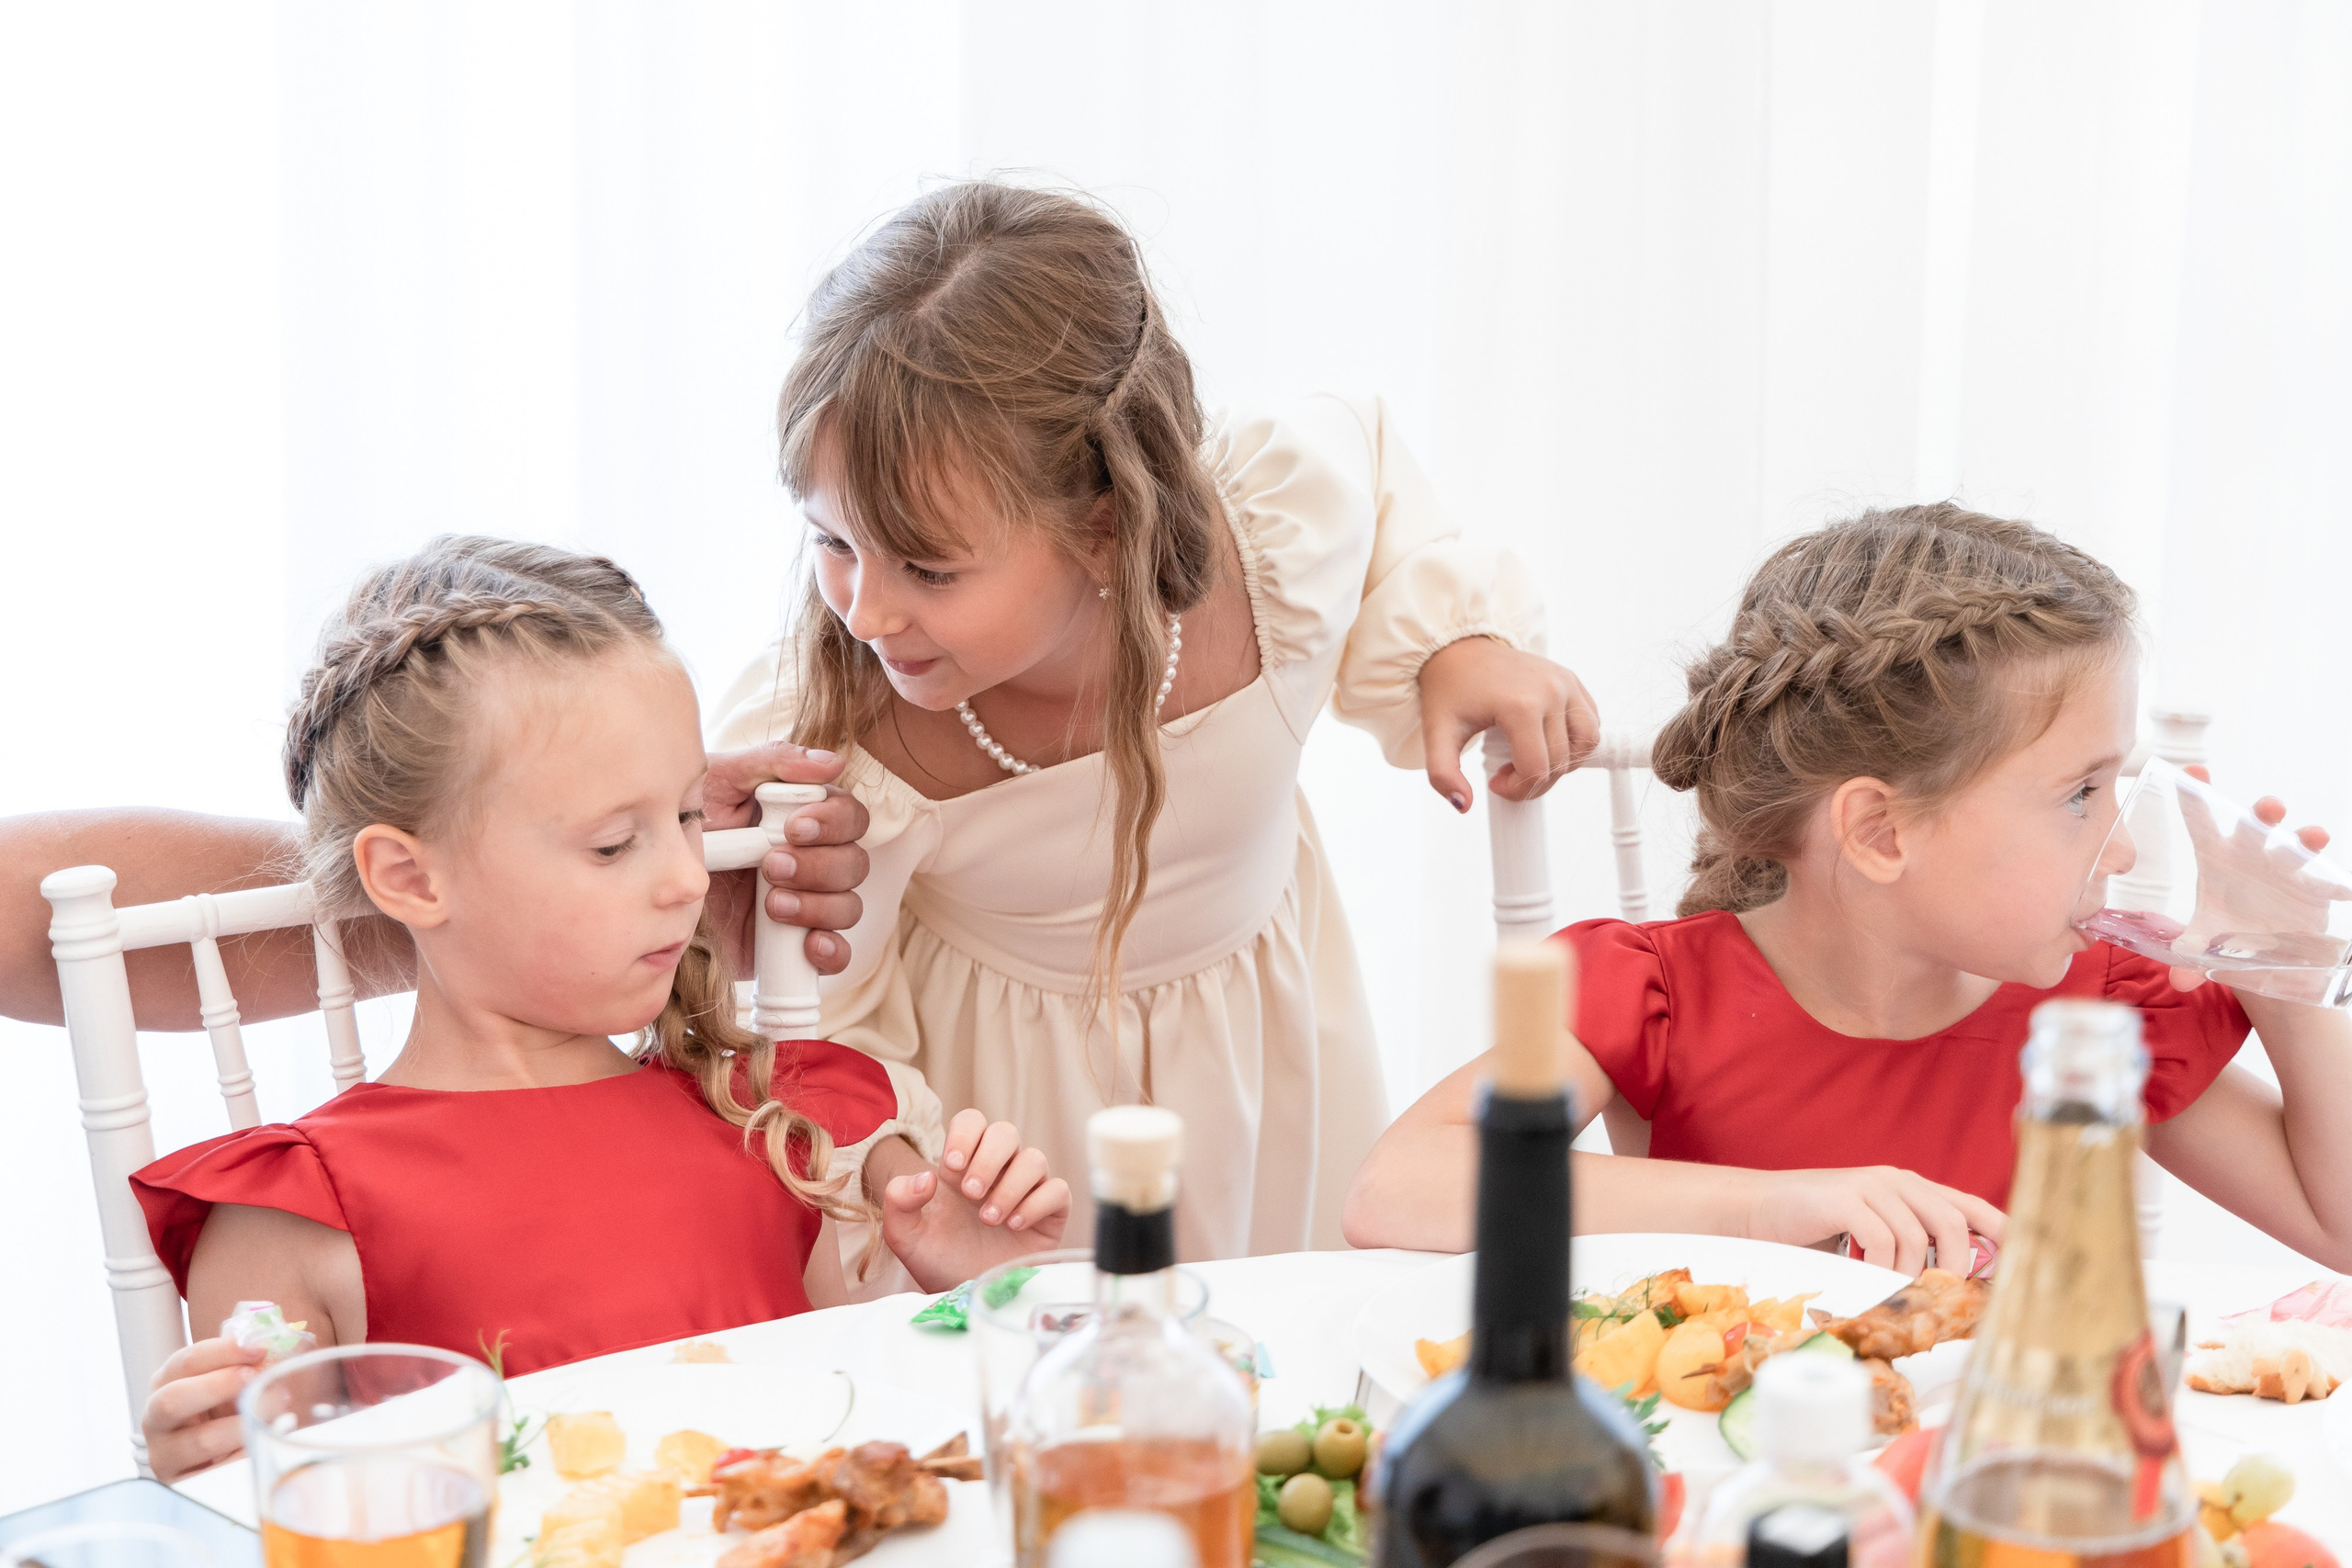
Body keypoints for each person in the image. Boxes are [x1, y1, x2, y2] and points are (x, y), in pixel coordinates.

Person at [708, 180, 1598, 1259]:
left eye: (929, 570)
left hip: (1272, 1076)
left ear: (1104, 526)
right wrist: (920, 1177)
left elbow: (1376, 508)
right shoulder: (841, 741)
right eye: (832, 541)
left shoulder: (1271, 546)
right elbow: (820, 1032)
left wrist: (1458, 643)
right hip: (1012, 1156)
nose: (865, 612)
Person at [134, 537, 1068, 1482]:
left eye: (688, 816)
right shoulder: (298, 1213)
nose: (689, 878)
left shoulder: (771, 1124)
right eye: (616, 844)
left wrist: (988, 1295)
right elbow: (289, 1520)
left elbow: (855, 1448)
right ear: (411, 877)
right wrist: (208, 1480)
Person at [1344, 504, 2352, 1276]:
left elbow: (2338, 1228)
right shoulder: (1659, 995)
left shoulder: (2097, 1016)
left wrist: (2281, 974)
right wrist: (1762, 1207)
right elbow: (1395, 1189)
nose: (2121, 847)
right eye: (2080, 795)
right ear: (1878, 831)